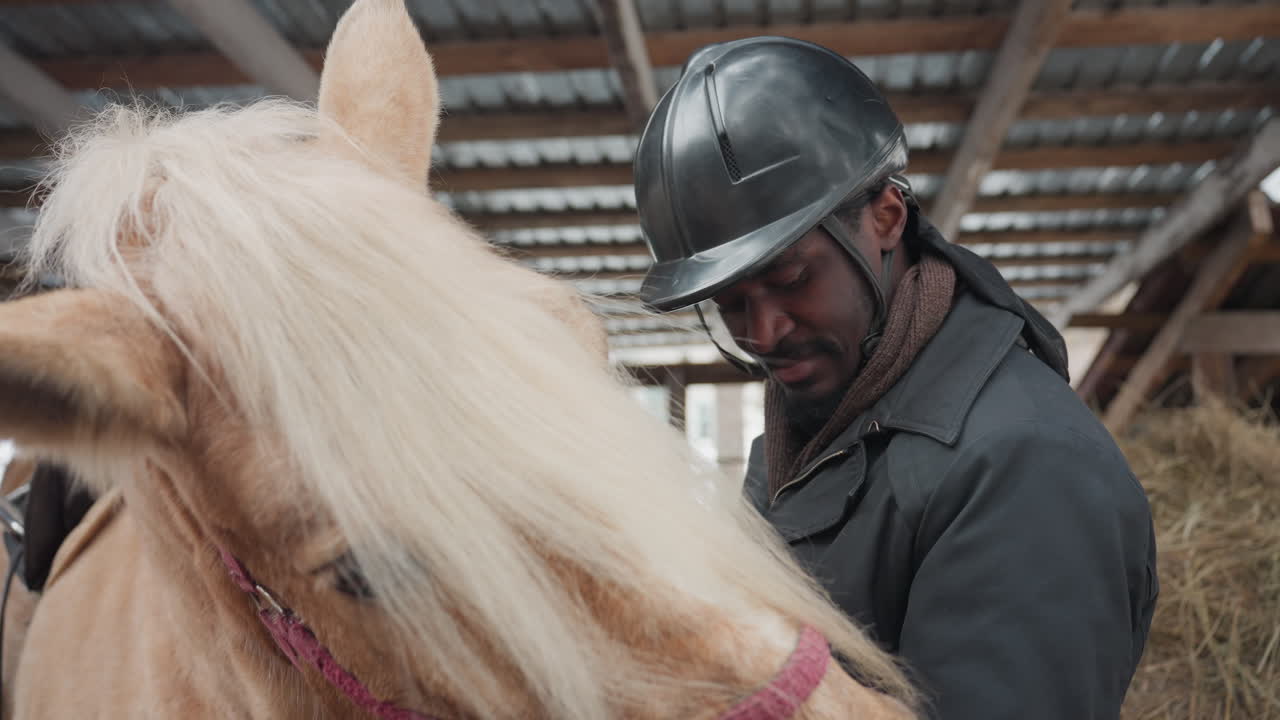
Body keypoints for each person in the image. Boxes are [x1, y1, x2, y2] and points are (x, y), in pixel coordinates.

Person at [632, 36, 1158, 719]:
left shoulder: (1024, 465)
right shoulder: (802, 439)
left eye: (792, 277)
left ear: (885, 217)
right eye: (729, 303)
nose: (761, 333)